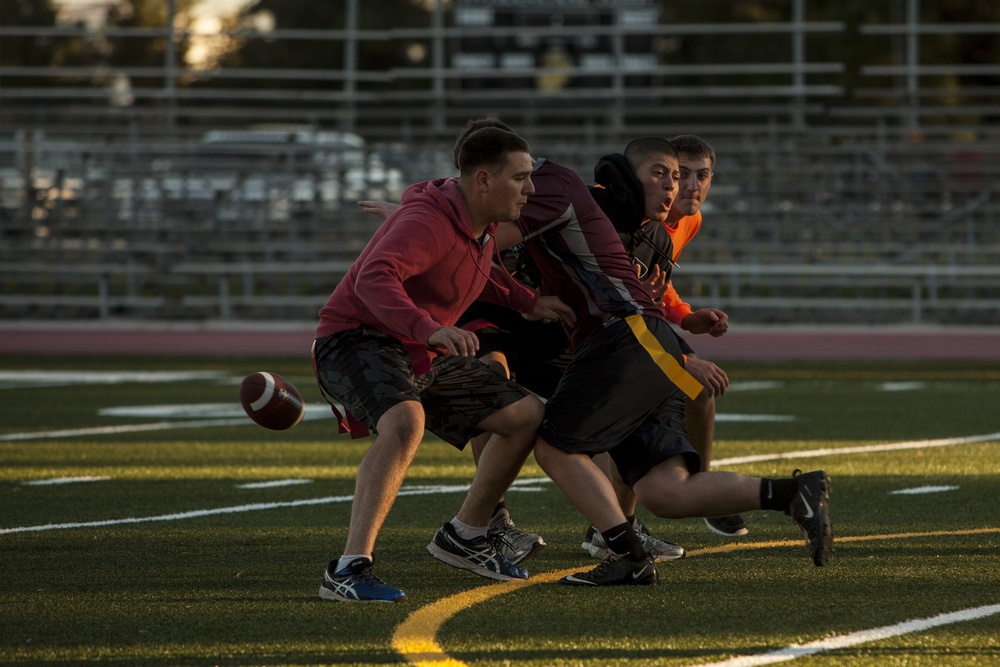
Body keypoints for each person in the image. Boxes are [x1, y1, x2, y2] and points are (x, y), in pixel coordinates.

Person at [507, 151, 832, 586]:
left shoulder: (595, 207)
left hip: (623, 341)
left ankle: (628, 554)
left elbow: (483, 232)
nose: (674, 187)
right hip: (634, 344)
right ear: (625, 180)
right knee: (664, 492)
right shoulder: (593, 204)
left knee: (554, 445)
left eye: (678, 177)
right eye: (661, 174)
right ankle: (792, 493)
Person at [313, 126, 575, 602]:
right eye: (520, 178)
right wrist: (429, 328)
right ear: (482, 180)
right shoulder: (427, 220)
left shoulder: (481, 221)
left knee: (525, 415)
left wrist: (527, 302)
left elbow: (482, 267)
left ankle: (468, 533)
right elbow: (375, 277)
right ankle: (349, 569)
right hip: (355, 337)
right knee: (405, 421)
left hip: (415, 345)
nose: (531, 189)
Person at [657, 134, 747, 538]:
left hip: (628, 316)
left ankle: (702, 487)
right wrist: (682, 356)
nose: (692, 186)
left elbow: (656, 284)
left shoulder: (690, 220)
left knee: (699, 389)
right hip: (588, 320)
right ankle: (610, 526)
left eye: (703, 175)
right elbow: (623, 290)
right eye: (682, 175)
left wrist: (686, 316)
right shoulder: (638, 216)